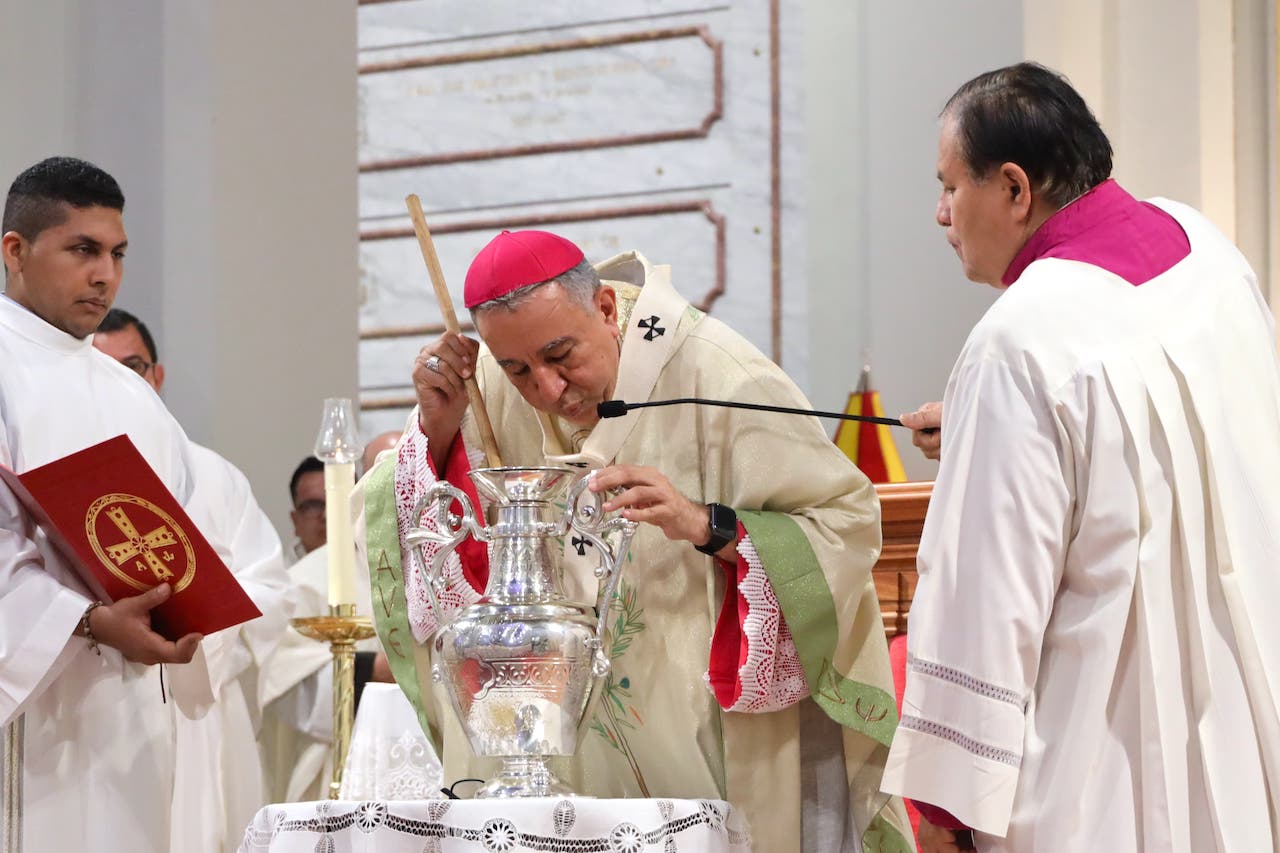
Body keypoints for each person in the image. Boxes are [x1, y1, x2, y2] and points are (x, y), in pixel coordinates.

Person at [358, 230, 911, 852]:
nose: (548, 389)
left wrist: (705, 524)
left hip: (699, 741)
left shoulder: (718, 372)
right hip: (548, 739)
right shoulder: (484, 385)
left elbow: (844, 521)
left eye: (561, 355)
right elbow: (407, 521)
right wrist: (437, 432)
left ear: (604, 308)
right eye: (518, 370)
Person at [879, 62, 1280, 851]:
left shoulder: (1016, 341)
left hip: (1108, 773)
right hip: (1247, 725)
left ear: (1015, 189)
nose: (941, 213)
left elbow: (983, 609)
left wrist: (949, 812)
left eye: (950, 186)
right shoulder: (1203, 249)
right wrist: (984, 427)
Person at [0, 156, 235, 850]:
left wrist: (191, 612)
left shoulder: (132, 393)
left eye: (118, 254)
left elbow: (192, 531)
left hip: (134, 718)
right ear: (15, 250)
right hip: (35, 712)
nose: (106, 274)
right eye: (83, 250)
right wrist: (90, 622)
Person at [93, 307, 293, 849]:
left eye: (132, 367)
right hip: (106, 710)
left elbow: (271, 589)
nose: (120, 382)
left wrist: (206, 626)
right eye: (101, 369)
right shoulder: (70, 474)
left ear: (157, 375)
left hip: (202, 709)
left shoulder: (213, 476)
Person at [287, 456, 326, 564]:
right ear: (295, 521)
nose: (326, 515)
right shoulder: (276, 574)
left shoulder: (369, 568)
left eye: (339, 502)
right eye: (313, 506)